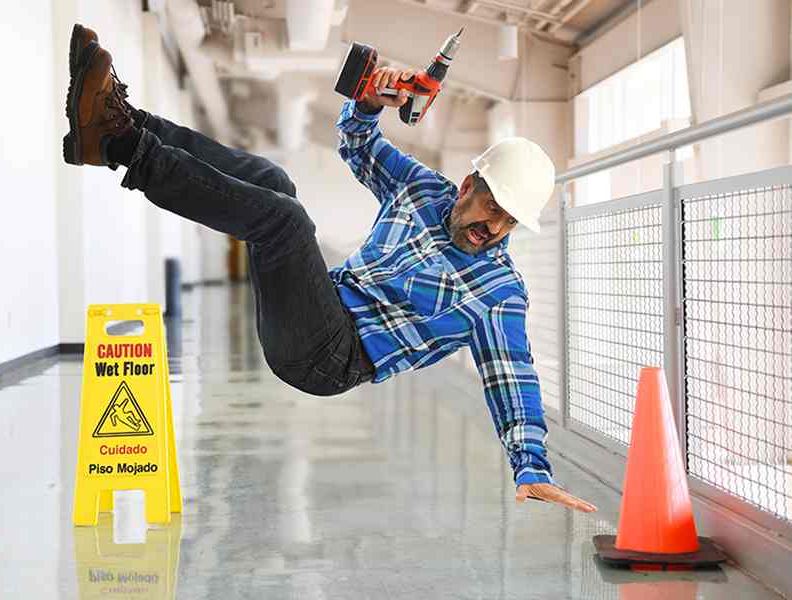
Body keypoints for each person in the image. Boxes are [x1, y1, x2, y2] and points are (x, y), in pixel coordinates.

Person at [63, 24, 596, 513]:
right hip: (322, 303)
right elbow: (361, 145)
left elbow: (513, 377)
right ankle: (123, 125)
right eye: (491, 206)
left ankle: (118, 143)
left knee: (285, 220)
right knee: (275, 182)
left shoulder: (499, 292)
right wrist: (367, 106)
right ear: (466, 187)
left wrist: (531, 466)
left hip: (332, 359)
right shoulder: (421, 189)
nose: (494, 227)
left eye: (509, 221)